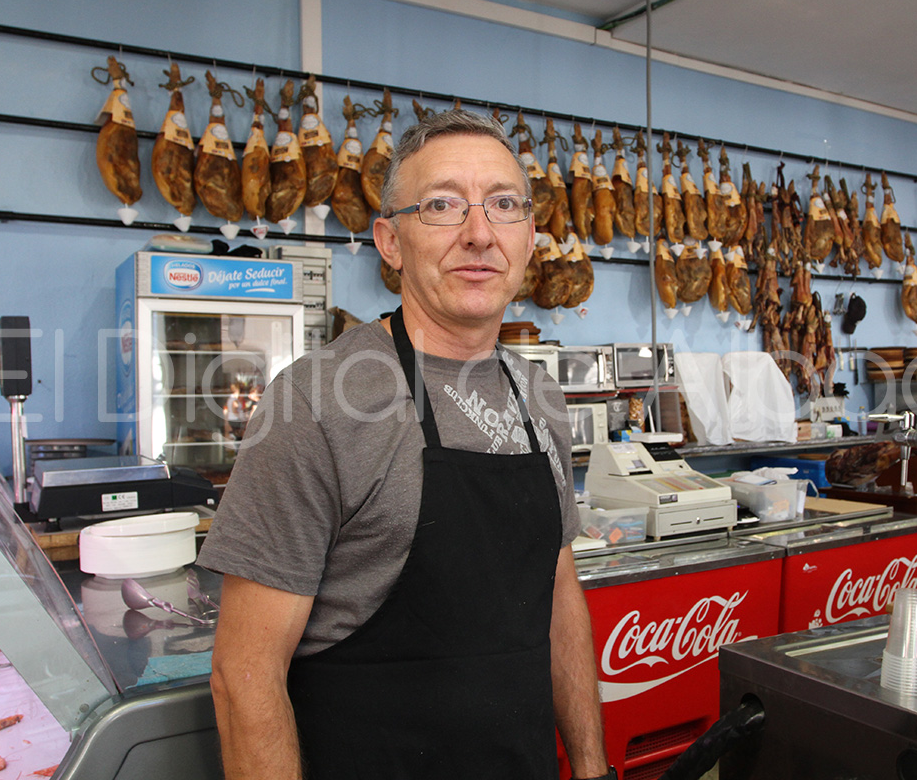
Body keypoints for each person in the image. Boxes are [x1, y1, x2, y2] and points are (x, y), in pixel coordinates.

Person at [199, 109, 613, 780]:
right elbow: (243, 677)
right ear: (391, 242)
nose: (479, 234)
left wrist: (594, 770)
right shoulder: (314, 401)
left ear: (530, 238)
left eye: (503, 205)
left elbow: (559, 596)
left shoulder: (541, 398)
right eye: (444, 206)